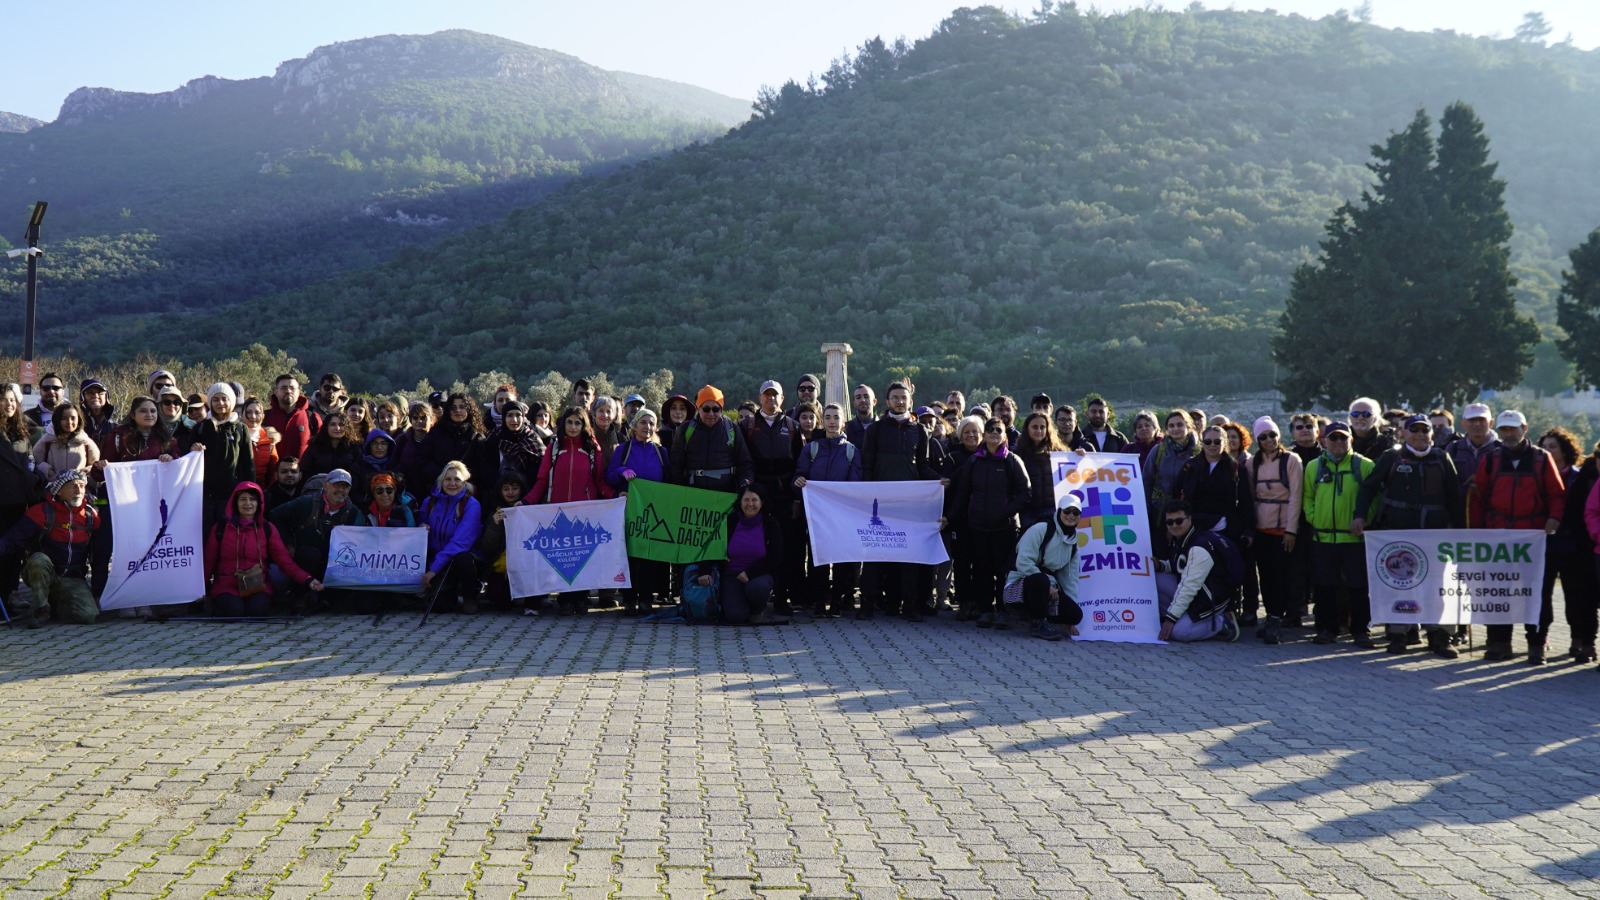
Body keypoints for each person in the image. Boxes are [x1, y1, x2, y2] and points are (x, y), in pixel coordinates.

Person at [1353, 414, 1464, 658]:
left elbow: (1455, 497)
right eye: (1414, 430)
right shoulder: (1392, 457)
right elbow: (1368, 487)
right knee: (1400, 584)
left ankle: (1440, 637)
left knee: (1437, 586)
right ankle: (1398, 634)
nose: (1420, 435)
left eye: (1425, 431)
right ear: (1404, 433)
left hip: (1435, 535)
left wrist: (1460, 531)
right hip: (1399, 534)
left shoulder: (1442, 458)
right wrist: (1359, 515)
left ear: (1431, 434)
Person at [1469, 410, 1565, 662]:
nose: (1508, 434)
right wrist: (1478, 533)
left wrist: (1554, 517)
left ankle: (1536, 644)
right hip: (1497, 537)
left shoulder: (1542, 459)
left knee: (1537, 593)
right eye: (1503, 429)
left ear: (1525, 428)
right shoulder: (1490, 460)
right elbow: (1478, 499)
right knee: (1498, 591)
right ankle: (1500, 643)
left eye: (1512, 428)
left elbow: (1557, 494)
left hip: (1532, 538)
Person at [861, 382, 944, 621]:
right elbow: (867, 466)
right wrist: (867, 497)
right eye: (895, 397)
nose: (899, 401)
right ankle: (866, 604)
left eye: (903, 398)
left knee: (908, 556)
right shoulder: (874, 430)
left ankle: (910, 606)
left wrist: (939, 480)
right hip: (879, 503)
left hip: (909, 504)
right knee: (874, 555)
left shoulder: (920, 431)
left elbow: (924, 466)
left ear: (910, 401)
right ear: (887, 402)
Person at [949, 416, 1030, 627]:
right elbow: (963, 493)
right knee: (982, 570)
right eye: (990, 429)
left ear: (1004, 435)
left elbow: (1025, 492)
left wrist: (1007, 512)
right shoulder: (974, 461)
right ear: (984, 435)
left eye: (998, 430)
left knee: (1003, 571)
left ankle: (1003, 611)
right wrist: (950, 517)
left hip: (1005, 527)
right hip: (977, 526)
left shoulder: (1012, 460)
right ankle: (986, 610)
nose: (994, 432)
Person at [1304, 422, 1378, 648]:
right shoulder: (1313, 467)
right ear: (1324, 440)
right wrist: (1314, 518)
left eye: (1342, 438)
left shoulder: (1365, 466)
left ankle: (1360, 630)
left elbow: (1375, 498)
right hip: (1323, 538)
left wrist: (1365, 519)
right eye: (1333, 438)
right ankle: (1327, 629)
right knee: (1325, 586)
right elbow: (1307, 496)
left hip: (1354, 539)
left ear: (1351, 440)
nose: (1337, 442)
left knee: (1358, 586)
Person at [0, 470, 102, 626]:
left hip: (72, 577)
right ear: (59, 491)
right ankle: (42, 609)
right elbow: (13, 539)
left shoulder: (90, 515)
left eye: (82, 486)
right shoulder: (41, 512)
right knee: (38, 560)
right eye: (73, 486)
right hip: (43, 571)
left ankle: (56, 602)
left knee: (88, 616)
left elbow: (101, 552)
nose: (79, 491)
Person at [205, 482, 322, 617]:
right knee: (233, 611)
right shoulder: (220, 529)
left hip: (257, 585)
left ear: (259, 503)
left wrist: (307, 579)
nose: (248, 503)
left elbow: (284, 560)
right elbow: (209, 561)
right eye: (243, 499)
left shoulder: (267, 528)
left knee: (257, 612)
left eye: (252, 499)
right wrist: (198, 591)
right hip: (226, 585)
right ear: (235, 502)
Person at [793, 403, 863, 617]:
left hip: (841, 517)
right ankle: (818, 602)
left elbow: (855, 485)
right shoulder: (811, 449)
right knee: (817, 561)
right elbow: (798, 476)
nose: (832, 421)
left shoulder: (851, 452)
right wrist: (799, 481)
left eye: (836, 417)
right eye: (828, 417)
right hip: (817, 516)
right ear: (823, 421)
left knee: (841, 562)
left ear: (843, 422)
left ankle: (837, 602)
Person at [268, 468, 368, 612]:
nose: (341, 490)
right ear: (325, 485)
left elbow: (360, 540)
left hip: (333, 562)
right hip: (305, 560)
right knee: (310, 554)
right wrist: (287, 543)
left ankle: (328, 595)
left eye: (345, 486)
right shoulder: (306, 502)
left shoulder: (353, 511)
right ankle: (299, 595)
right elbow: (275, 515)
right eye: (336, 485)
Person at [744, 380, 803, 612]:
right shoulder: (747, 425)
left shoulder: (792, 426)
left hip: (783, 495)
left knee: (784, 547)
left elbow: (799, 464)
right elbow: (744, 459)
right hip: (756, 495)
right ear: (760, 398)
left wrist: (796, 498)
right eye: (766, 395)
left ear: (782, 398)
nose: (771, 399)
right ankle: (752, 594)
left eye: (774, 395)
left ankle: (781, 599)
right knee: (756, 544)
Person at [1542, 430, 1597, 664]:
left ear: (1565, 449)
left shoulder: (1579, 475)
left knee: (1577, 596)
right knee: (1543, 595)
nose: (1548, 451)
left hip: (1574, 545)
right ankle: (1540, 639)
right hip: (1544, 543)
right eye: (1544, 447)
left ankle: (1579, 640)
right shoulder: (1538, 475)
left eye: (1553, 446)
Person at [608, 409, 671, 616]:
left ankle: (645, 599)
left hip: (652, 513)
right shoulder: (623, 450)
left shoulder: (661, 452)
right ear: (635, 425)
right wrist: (621, 472)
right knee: (629, 555)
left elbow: (668, 481)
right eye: (643, 422)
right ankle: (628, 598)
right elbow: (609, 476)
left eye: (651, 423)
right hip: (628, 511)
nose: (647, 427)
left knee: (649, 557)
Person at [1246, 418, 1303, 644]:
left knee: (1281, 576)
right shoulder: (1252, 463)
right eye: (1263, 437)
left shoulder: (1291, 460)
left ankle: (1277, 618)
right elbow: (1249, 497)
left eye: (1272, 435)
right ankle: (1271, 616)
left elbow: (1296, 496)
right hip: (1261, 528)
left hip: (1282, 530)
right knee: (1266, 576)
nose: (1269, 440)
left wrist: (1291, 530)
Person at [695, 484, 785, 625]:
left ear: (762, 502)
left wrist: (750, 573)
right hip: (732, 575)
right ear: (739, 502)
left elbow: (775, 557)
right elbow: (712, 546)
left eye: (754, 500)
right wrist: (704, 571)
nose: (750, 504)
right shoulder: (729, 521)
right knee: (735, 617)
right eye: (746, 500)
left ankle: (758, 610)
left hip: (759, 574)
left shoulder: (770, 523)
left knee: (756, 588)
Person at [1154, 499, 1240, 642]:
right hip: (1197, 593)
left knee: (1180, 633)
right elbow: (1180, 565)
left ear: (1189, 519)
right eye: (1170, 522)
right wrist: (1161, 566)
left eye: (1179, 521)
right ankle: (1182, 617)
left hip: (1210, 598)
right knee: (1156, 578)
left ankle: (1223, 621)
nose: (1174, 526)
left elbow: (1190, 586)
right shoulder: (1183, 539)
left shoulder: (1199, 547)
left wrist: (1171, 619)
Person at [1006, 492, 1086, 641]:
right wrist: (1047, 584)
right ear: (1059, 511)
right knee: (1040, 581)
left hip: (1046, 586)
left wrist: (1070, 619)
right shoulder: (1041, 529)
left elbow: (1070, 578)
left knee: (1075, 615)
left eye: (1076, 512)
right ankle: (1038, 623)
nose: (1071, 516)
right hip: (1020, 584)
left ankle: (1038, 614)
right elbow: (1023, 562)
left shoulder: (1073, 542)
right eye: (1067, 511)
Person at [416, 459, 484, 615]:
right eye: (448, 479)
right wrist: (421, 526)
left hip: (459, 559)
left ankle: (470, 597)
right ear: (441, 481)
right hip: (438, 558)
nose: (452, 483)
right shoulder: (429, 502)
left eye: (457, 479)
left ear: (465, 482)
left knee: (463, 558)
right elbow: (419, 521)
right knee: (439, 607)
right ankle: (450, 592)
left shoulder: (471, 504)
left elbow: (460, 543)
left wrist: (432, 571)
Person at [0, 383, 45, 611]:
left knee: (14, 552)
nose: (9, 404)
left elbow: (28, 460)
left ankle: (9, 595)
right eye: (3, 399)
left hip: (19, 500)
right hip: (1, 499)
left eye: (12, 400)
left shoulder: (21, 430)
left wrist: (34, 479)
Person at [190, 383, 256, 527]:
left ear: (231, 401)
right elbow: (187, 459)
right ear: (210, 403)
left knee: (228, 534)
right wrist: (193, 449)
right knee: (206, 534)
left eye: (224, 399)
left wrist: (249, 492)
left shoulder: (240, 429)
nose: (220, 403)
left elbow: (248, 463)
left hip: (231, 495)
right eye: (215, 399)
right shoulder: (200, 428)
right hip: (204, 495)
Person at [670, 386, 754, 493]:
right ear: (698, 408)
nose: (711, 414)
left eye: (715, 409)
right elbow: (676, 464)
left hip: (725, 495)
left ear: (721, 409)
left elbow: (744, 462)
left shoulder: (732, 429)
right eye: (706, 409)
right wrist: (677, 489)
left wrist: (745, 483)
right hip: (692, 494)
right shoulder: (686, 429)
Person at [1144, 409, 1199, 554]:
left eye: (1180, 425)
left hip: (1189, 512)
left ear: (1188, 426)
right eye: (1171, 425)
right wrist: (1147, 510)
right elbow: (1147, 480)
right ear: (1166, 429)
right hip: (1160, 512)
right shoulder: (1158, 451)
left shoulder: (1198, 451)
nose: (1176, 429)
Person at [532, 407, 611, 504]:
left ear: (583, 426)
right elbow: (542, 482)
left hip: (586, 510)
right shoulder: (553, 449)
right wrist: (525, 501)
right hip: (557, 509)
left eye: (577, 423)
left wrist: (616, 495)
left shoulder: (592, 449)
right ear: (564, 424)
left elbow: (599, 482)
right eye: (569, 422)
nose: (573, 427)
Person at [421, 392, 496, 494]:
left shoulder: (477, 438)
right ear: (448, 410)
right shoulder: (435, 433)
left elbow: (483, 469)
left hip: (467, 494)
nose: (458, 410)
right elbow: (423, 461)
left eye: (462, 407)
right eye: (453, 407)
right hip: (439, 492)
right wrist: (444, 476)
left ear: (469, 410)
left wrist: (460, 477)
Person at [1015, 412, 1067, 532]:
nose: (1039, 430)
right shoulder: (1018, 454)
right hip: (1027, 513)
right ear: (1027, 429)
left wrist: (1080, 454)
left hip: (1053, 510)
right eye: (1035, 427)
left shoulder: (1059, 453)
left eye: (1042, 427)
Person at [32, 401, 100, 479]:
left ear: (79, 419)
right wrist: (48, 472)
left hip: (78, 489)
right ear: (57, 420)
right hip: (52, 488)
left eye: (73, 418)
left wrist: (85, 473)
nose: (69, 422)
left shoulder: (86, 442)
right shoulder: (46, 441)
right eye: (64, 418)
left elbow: (95, 466)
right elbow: (36, 462)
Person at [264, 375, 321, 463]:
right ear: (276, 391)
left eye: (292, 388)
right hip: (270, 474)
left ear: (298, 392)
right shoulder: (264, 417)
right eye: (284, 388)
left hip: (302, 474)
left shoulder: (312, 418)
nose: (288, 391)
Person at [1445, 402, 1498, 496]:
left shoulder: (1500, 449)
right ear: (1463, 424)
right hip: (1461, 507)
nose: (1477, 424)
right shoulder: (1453, 448)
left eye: (1482, 420)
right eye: (1472, 420)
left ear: (1491, 423)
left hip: (1492, 508)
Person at [490, 400, 545, 488]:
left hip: (528, 493)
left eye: (518, 415)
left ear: (523, 417)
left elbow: (541, 470)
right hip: (498, 491)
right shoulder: (493, 438)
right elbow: (487, 470)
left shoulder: (533, 439)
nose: (514, 420)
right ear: (504, 417)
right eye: (510, 415)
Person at [300, 411, 362, 481]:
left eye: (341, 424)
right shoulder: (315, 447)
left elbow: (359, 471)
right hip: (319, 488)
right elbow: (304, 471)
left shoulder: (354, 447)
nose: (337, 428)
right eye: (333, 424)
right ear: (326, 427)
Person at [393, 400, 434, 498]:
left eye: (423, 418)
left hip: (431, 495)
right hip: (406, 494)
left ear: (431, 420)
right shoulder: (402, 440)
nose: (419, 421)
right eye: (415, 418)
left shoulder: (438, 440)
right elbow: (393, 464)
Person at [350, 429, 399, 506]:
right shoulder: (358, 466)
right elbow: (354, 493)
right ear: (368, 446)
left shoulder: (395, 466)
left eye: (383, 443)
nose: (379, 447)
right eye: (374, 443)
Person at [240, 397, 281, 487]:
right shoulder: (236, 437)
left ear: (263, 415)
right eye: (248, 412)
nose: (253, 416)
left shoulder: (269, 440)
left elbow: (273, 472)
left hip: (261, 491)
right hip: (238, 490)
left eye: (257, 412)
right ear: (241, 414)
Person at [78, 379, 117, 448]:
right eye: (90, 392)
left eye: (100, 392)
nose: (95, 396)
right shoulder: (76, 421)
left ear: (106, 396)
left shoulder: (116, 422)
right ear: (82, 397)